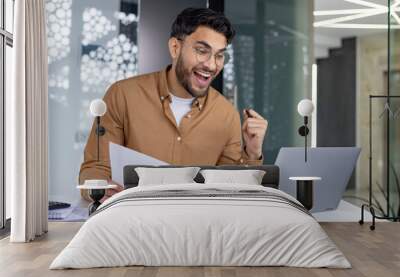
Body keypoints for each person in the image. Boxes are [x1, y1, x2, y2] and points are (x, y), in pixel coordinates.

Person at [79, 7, 268, 201]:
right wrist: (101, 190)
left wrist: (252, 152)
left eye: (220, 55)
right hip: (133, 219)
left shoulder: (226, 114)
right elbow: (95, 169)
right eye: (202, 51)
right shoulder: (122, 95)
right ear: (175, 48)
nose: (212, 65)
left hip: (196, 224)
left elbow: (232, 190)